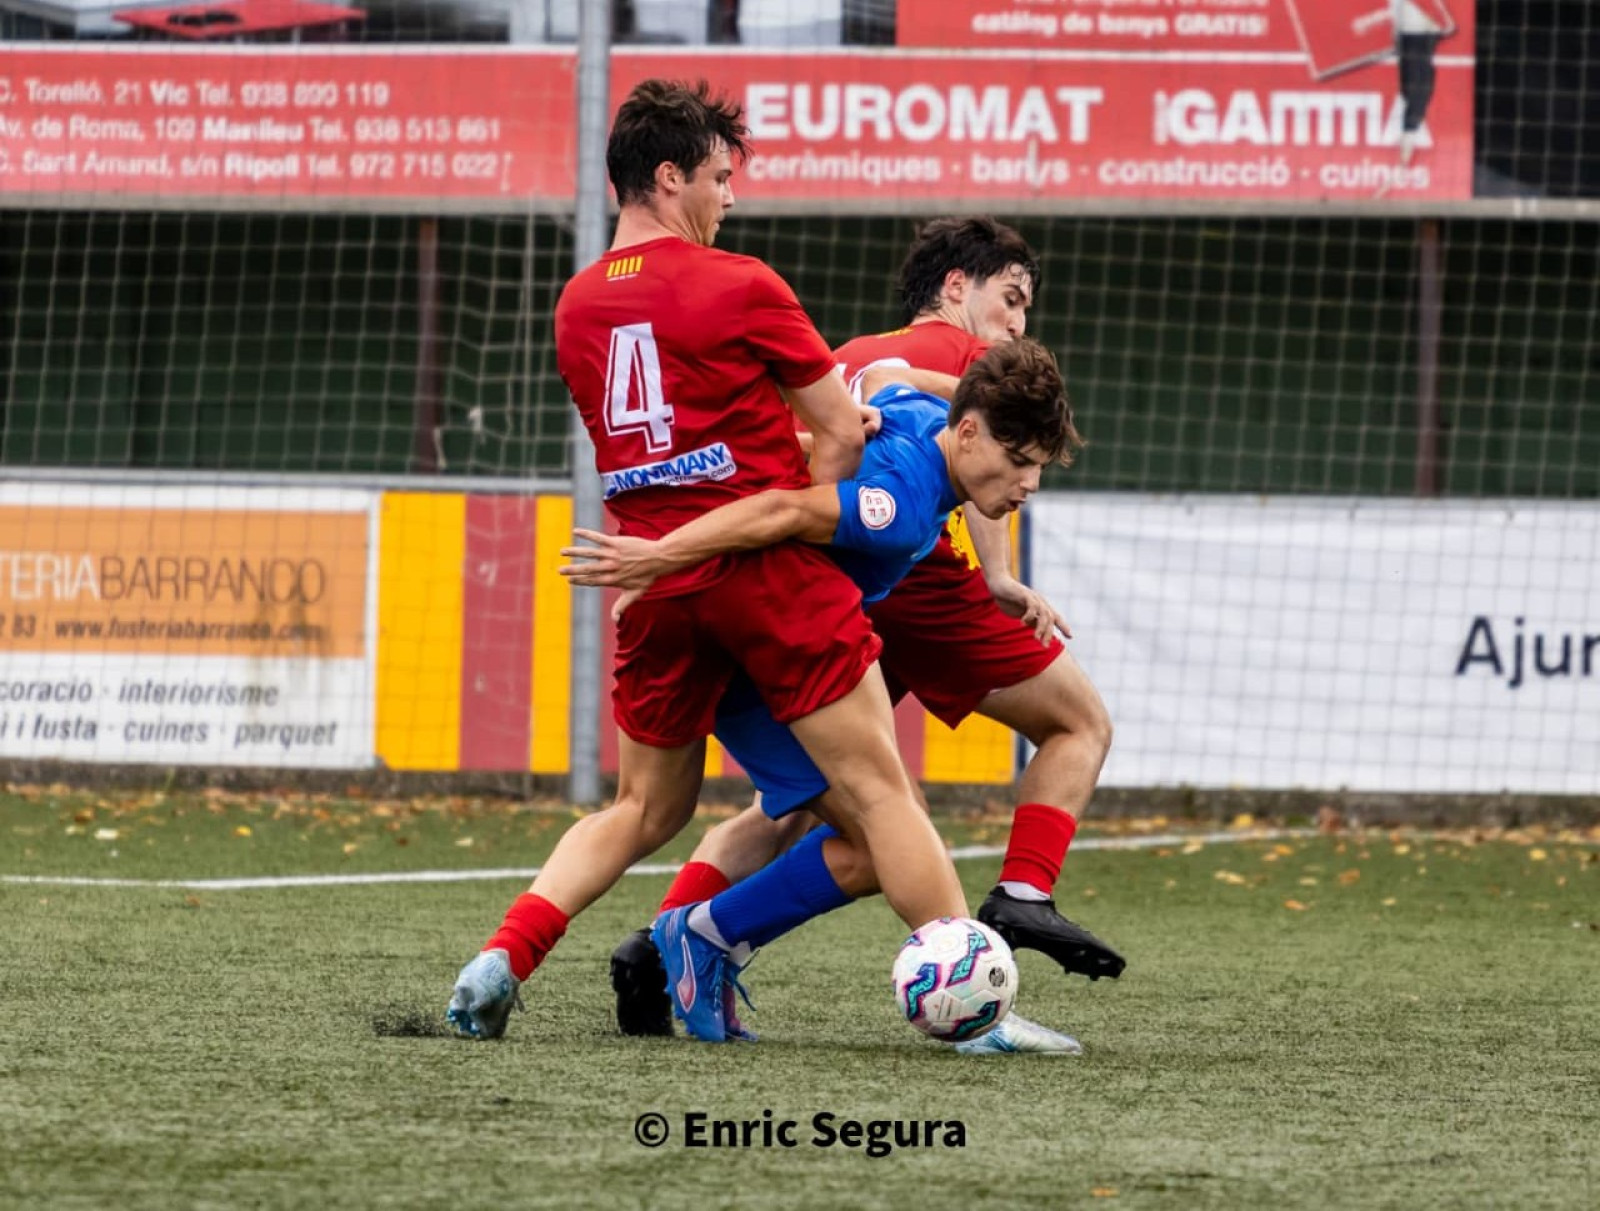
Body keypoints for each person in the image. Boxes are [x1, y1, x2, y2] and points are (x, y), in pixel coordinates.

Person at [446, 79, 970, 1040]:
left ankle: (501, 959)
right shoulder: (742, 283)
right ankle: (974, 996)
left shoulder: (573, 309)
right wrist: (846, 450)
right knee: (878, 800)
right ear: (667, 174)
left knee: (645, 805)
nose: (730, 199)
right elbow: (838, 435)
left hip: (651, 577)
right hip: (766, 573)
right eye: (720, 178)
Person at [606, 218, 1121, 1041]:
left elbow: (867, 395)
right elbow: (818, 498)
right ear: (957, 288)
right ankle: (1014, 909)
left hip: (811, 596)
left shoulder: (869, 358)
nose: (1019, 323)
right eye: (1011, 299)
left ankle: (667, 941)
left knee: (816, 814)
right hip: (879, 587)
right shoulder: (974, 376)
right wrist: (996, 577)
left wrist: (674, 562)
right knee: (1069, 725)